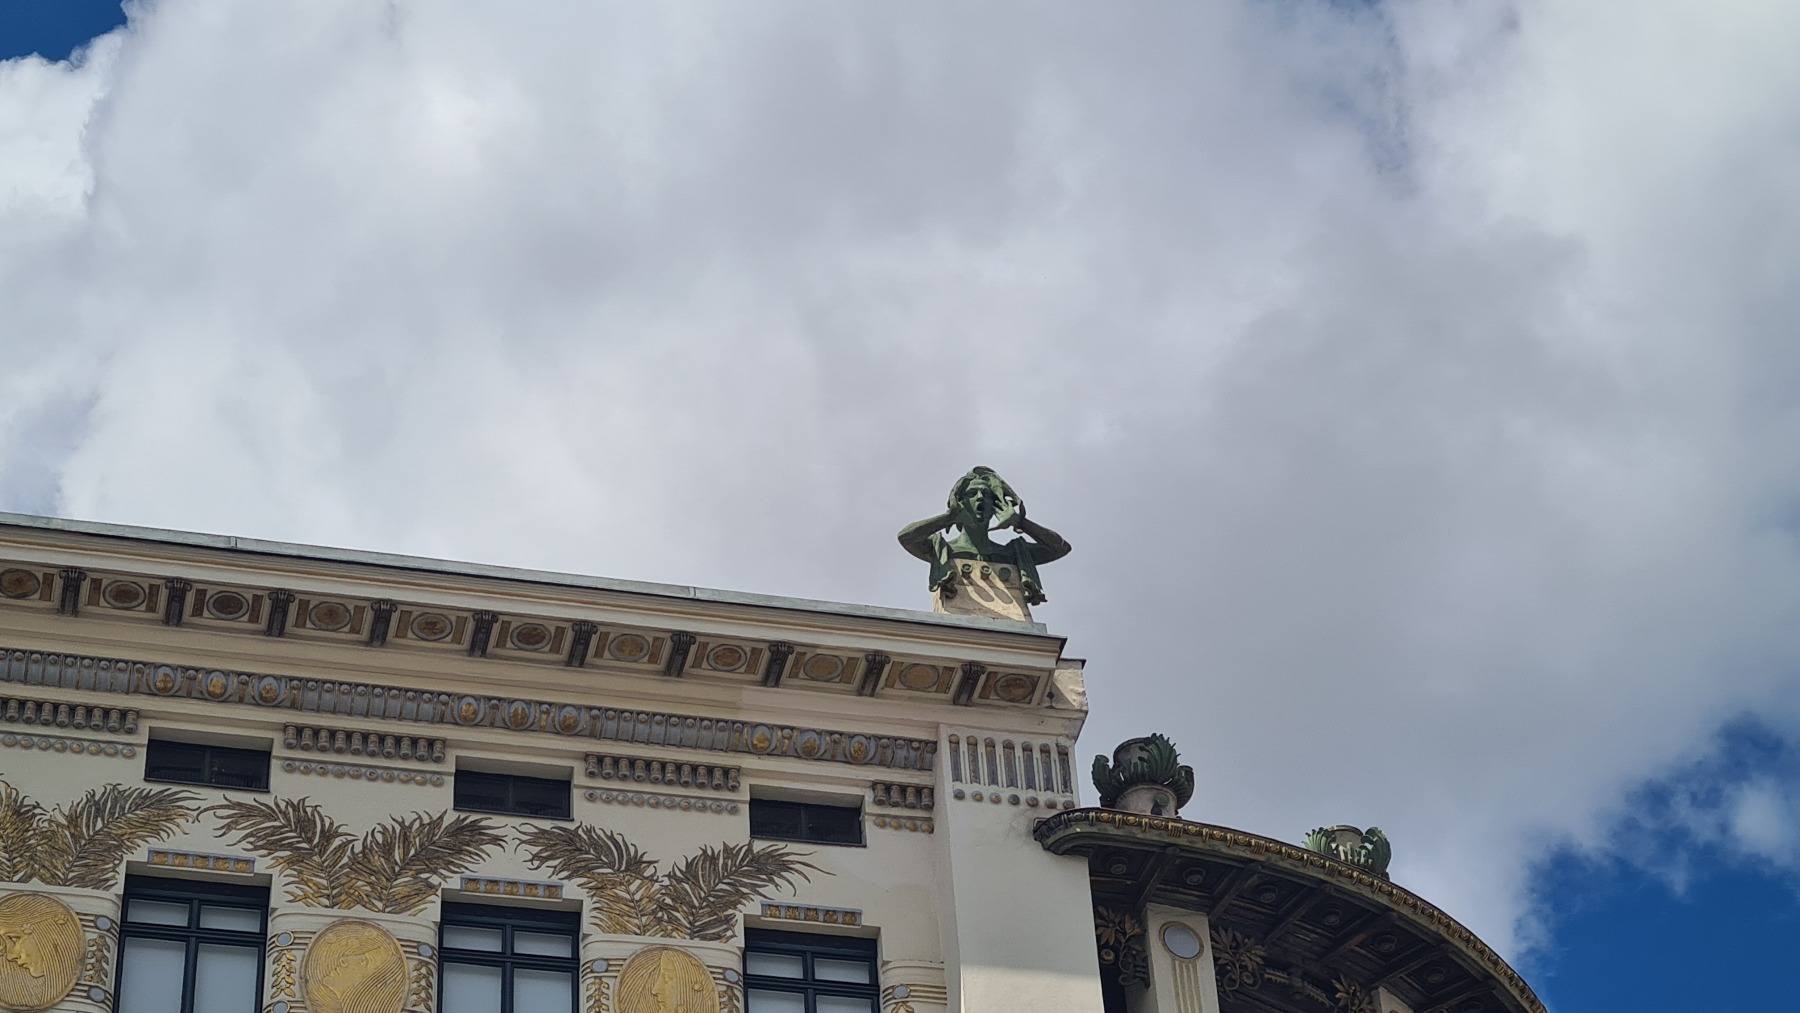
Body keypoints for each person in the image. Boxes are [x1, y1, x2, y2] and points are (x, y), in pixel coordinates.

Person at [897, 467, 1071, 605]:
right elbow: (906, 537)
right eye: (972, 494)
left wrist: (1020, 522)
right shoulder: (943, 549)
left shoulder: (1012, 553)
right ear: (960, 502)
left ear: (995, 506)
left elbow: (1060, 548)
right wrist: (948, 517)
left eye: (986, 495)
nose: (980, 498)